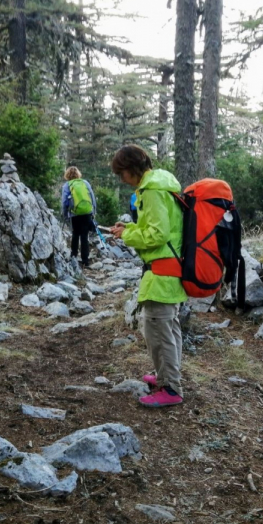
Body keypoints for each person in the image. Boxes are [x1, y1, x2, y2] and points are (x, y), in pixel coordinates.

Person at [110, 145, 187, 407]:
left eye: (122, 173)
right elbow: (159, 227)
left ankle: (172, 390)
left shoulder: (152, 191)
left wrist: (128, 236)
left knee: (159, 332)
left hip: (162, 275)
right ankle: (165, 376)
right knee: (169, 328)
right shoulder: (162, 184)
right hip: (169, 272)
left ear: (132, 168)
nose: (122, 179)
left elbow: (158, 235)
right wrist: (130, 227)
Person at [61, 166, 97, 267]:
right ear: (78, 174)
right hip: (87, 212)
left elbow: (64, 202)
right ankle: (85, 260)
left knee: (75, 234)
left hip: (75, 214)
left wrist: (65, 215)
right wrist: (93, 211)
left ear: (67, 175)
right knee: (85, 236)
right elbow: (92, 198)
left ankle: (74, 256)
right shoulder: (85, 183)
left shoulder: (67, 185)